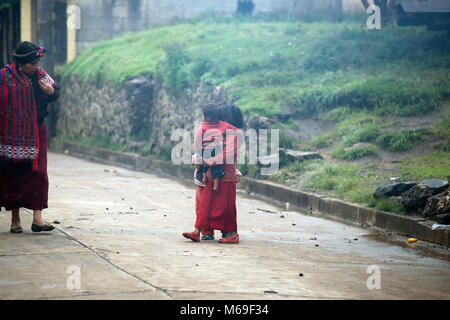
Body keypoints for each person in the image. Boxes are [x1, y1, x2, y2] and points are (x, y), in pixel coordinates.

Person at [0, 41, 61, 233]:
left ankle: (37, 219)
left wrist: (50, 92)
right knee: (13, 173)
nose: (36, 67)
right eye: (32, 64)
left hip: (36, 131)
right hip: (10, 133)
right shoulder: (4, 77)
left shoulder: (40, 75)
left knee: (39, 173)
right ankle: (15, 219)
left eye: (37, 63)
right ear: (20, 64)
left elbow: (55, 90)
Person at [183, 103, 245, 243]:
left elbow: (228, 154)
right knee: (205, 204)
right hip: (210, 175)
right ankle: (200, 230)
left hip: (226, 175)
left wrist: (210, 160)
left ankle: (231, 234)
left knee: (227, 207)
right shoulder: (215, 131)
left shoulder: (233, 132)